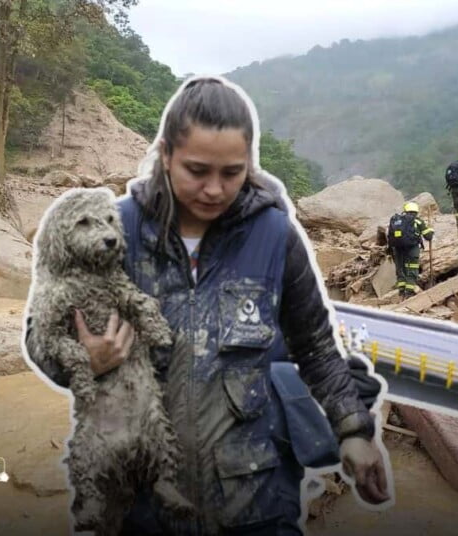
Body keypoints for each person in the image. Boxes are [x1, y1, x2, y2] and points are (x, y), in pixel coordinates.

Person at [26, 76, 391, 535]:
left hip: (255, 498)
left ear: (249, 163)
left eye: (231, 172)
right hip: (141, 502)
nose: (215, 189)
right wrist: (89, 360)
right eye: (197, 171)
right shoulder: (114, 229)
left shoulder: (274, 235)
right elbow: (43, 337)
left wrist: (353, 431)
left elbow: (315, 344)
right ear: (165, 155)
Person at [387, 201, 434, 299]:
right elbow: (428, 237)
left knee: (401, 269)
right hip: (412, 249)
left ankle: (401, 291)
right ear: (416, 212)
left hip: (398, 249)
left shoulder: (396, 220)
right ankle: (408, 292)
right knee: (411, 269)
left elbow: (390, 236)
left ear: (405, 211)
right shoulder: (418, 221)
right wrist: (431, 230)